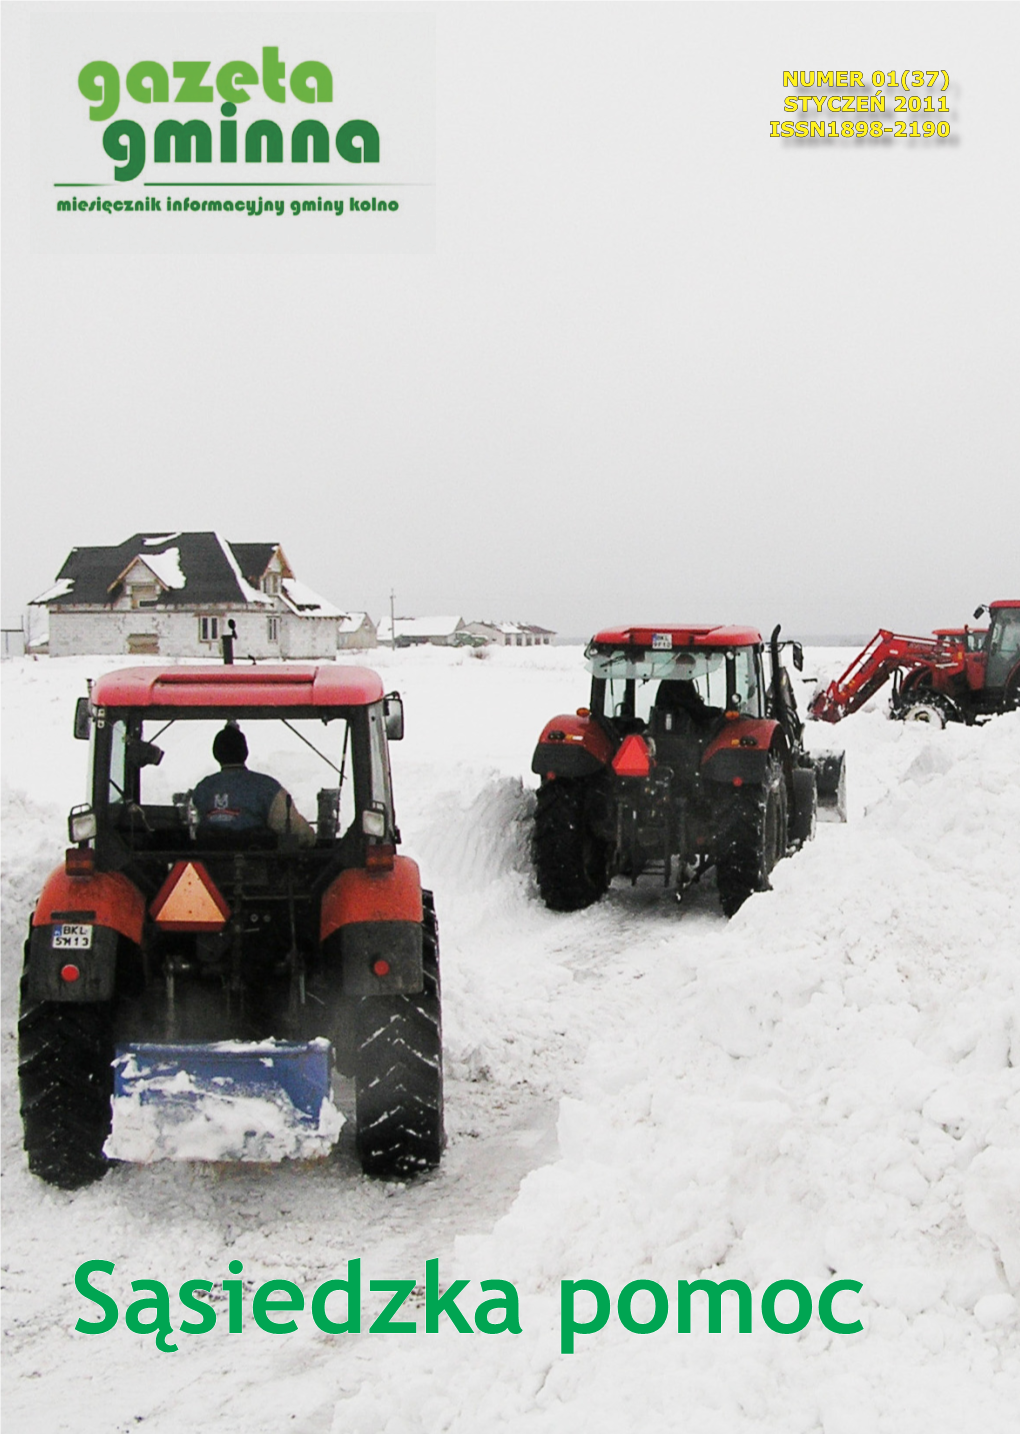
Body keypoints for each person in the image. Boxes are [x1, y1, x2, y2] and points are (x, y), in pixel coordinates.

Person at [192, 725, 315, 846]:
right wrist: (311, 838)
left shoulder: (203, 789)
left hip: (210, 861)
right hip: (258, 862)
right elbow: (295, 831)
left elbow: (194, 826)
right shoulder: (267, 788)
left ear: (216, 753)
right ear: (245, 752)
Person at [653, 679, 722, 731]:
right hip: (677, 729)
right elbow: (694, 708)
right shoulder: (676, 682)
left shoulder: (673, 679)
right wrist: (717, 712)